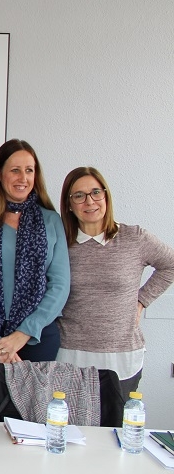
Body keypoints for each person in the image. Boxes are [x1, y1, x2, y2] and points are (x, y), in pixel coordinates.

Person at [57, 167, 174, 397]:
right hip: (70, 354)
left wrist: (141, 301)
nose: (89, 201)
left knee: (118, 420)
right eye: (79, 195)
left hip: (122, 356)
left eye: (95, 192)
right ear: (69, 204)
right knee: (67, 419)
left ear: (106, 196)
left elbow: (170, 264)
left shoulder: (134, 237)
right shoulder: (59, 242)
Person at [0, 139, 70, 381]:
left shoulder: (51, 221)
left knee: (32, 406)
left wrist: (23, 333)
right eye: (15, 170)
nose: (23, 178)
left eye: (29, 170)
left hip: (37, 339)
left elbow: (60, 284)